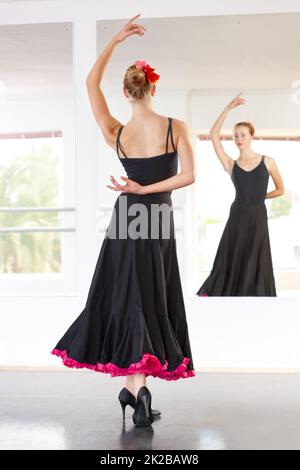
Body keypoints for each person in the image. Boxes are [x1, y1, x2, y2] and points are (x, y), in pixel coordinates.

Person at [51, 14, 196, 427]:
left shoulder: (115, 131)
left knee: (131, 299)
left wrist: (114, 40)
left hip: (127, 218)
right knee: (146, 299)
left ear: (127, 91)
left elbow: (89, 85)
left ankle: (135, 392)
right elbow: (188, 176)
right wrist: (148, 191)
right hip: (156, 219)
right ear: (153, 87)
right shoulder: (175, 127)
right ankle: (138, 391)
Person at [196, 93, 284, 296]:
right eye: (236, 135)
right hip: (237, 215)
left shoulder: (268, 161)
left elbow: (280, 189)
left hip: (258, 215)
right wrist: (228, 108)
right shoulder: (230, 164)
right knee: (233, 253)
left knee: (256, 255)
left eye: (243, 135)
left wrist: (260, 197)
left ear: (251, 136)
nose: (238, 139)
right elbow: (213, 135)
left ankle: (255, 295)